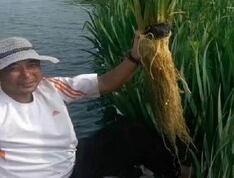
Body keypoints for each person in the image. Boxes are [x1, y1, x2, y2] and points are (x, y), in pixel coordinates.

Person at [0, 36, 183, 178]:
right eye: (14, 68)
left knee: (127, 132)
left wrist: (135, 57)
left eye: (32, 65)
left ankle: (179, 173)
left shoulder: (50, 88)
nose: (26, 74)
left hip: (71, 166)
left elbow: (105, 83)